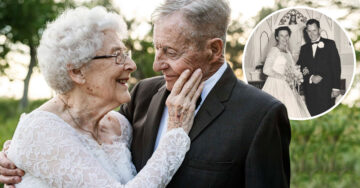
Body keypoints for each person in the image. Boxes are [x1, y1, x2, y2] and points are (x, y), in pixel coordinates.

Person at [1, 0, 292, 187]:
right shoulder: (143, 94)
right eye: (157, 48)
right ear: (76, 71)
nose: (154, 64)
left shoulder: (260, 115)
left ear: (214, 50)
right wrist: (20, 154)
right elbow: (62, 143)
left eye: (171, 52)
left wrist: (26, 152)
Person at [0, 6, 203, 187]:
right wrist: (175, 134)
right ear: (78, 71)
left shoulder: (120, 126)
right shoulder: (40, 130)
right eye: (117, 55)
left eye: (126, 53)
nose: (131, 65)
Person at [262, 26, 311, 119]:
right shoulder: (274, 51)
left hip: (289, 85)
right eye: (281, 36)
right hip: (276, 84)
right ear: (277, 37)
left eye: (286, 35)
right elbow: (266, 69)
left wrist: (296, 74)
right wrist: (283, 77)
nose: (284, 38)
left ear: (289, 36)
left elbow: (291, 68)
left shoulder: (288, 52)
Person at [297, 19, 341, 116]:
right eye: (309, 31)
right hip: (310, 90)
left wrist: (336, 88)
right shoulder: (304, 48)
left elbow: (336, 66)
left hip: (327, 89)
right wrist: (311, 77)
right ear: (306, 31)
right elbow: (301, 67)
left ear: (319, 30)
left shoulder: (330, 44)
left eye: (314, 30)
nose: (311, 34)